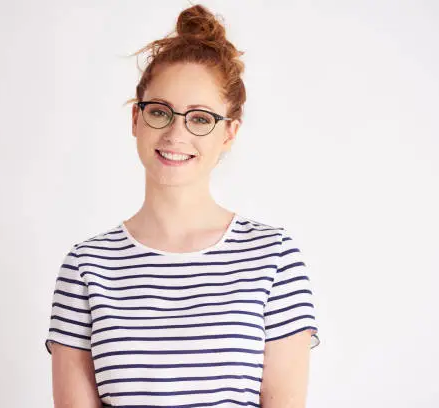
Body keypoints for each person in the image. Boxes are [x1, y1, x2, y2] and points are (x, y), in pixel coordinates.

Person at [45, 4, 320, 407]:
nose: (176, 133)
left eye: (200, 118)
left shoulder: (273, 257)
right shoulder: (87, 266)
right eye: (160, 112)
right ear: (135, 120)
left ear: (229, 133)